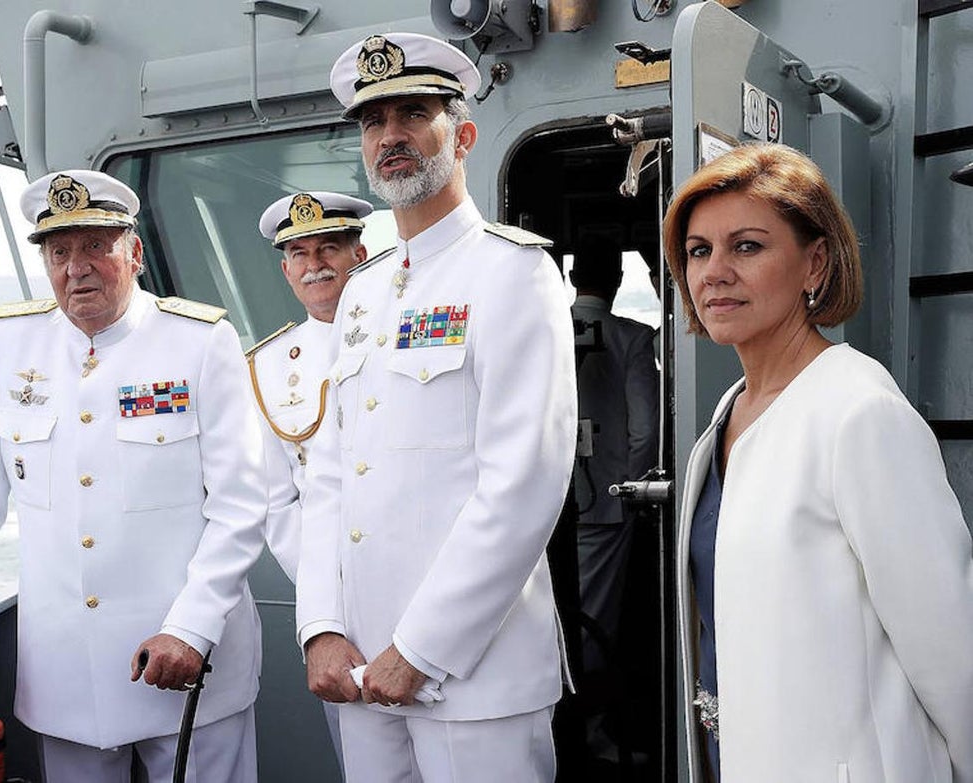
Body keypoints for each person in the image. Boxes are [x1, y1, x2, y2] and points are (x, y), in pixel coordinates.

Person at [0, 170, 268, 782]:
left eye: (96, 246)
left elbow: (242, 506)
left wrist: (191, 628)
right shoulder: (14, 343)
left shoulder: (198, 341)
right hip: (68, 676)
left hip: (184, 660)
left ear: (134, 253)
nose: (77, 268)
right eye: (60, 252)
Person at [295, 32, 577, 782]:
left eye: (413, 113)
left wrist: (419, 647)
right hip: (361, 672)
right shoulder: (361, 291)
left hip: (472, 678)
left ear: (464, 136)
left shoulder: (512, 273)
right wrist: (321, 628)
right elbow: (327, 478)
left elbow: (523, 486)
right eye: (372, 121)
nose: (389, 136)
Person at [662, 143, 973, 783]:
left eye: (746, 246)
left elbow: (951, 652)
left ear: (816, 262)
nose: (714, 271)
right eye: (698, 251)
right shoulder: (730, 413)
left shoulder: (858, 414)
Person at [249, 190, 373, 773]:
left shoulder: (404, 331)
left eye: (329, 247)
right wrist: (332, 599)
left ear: (361, 253)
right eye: (299, 253)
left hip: (423, 582)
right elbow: (279, 502)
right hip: (333, 608)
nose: (314, 263)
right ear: (285, 269)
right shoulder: (267, 365)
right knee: (363, 759)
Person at [567, 232, 658, 748]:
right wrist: (634, 490)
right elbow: (644, 430)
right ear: (618, 281)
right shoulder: (633, 337)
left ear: (572, 278)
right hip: (607, 503)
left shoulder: (545, 329)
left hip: (548, 505)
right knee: (597, 620)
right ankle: (593, 730)